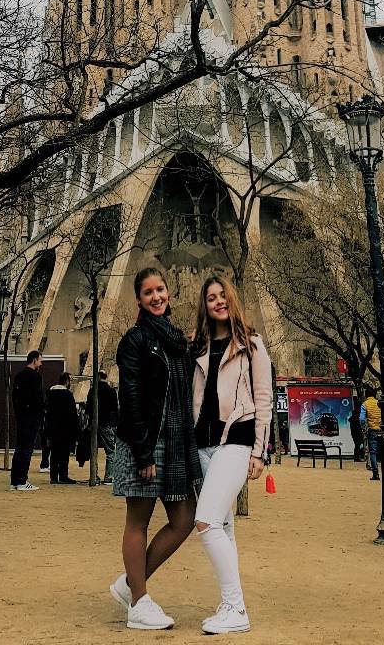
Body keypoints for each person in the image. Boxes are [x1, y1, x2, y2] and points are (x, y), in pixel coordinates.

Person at [109, 266, 202, 632]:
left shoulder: (176, 340)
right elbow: (130, 398)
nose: (156, 297)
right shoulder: (135, 339)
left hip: (175, 444)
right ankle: (139, 604)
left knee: (185, 519)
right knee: (138, 521)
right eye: (148, 292)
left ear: (169, 293)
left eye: (160, 289)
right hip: (144, 442)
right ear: (139, 300)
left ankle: (130, 584)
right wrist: (144, 453)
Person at [190, 275, 272, 636]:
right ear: (205, 306)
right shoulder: (199, 347)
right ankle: (230, 604)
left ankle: (236, 607)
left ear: (232, 299)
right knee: (223, 527)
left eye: (223, 295)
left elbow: (264, 400)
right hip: (204, 444)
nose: (218, 301)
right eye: (211, 297)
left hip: (235, 441)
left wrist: (260, 451)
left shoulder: (252, 345)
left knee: (205, 522)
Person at [10, 351, 45, 491]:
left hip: (21, 417)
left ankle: (15, 480)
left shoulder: (19, 376)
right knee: (27, 449)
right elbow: (38, 398)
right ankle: (22, 480)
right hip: (31, 417)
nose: (41, 363)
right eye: (40, 360)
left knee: (19, 448)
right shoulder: (35, 376)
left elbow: (15, 397)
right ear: (34, 360)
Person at [86, 370, 119, 485]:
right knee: (110, 451)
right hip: (106, 424)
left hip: (94, 424)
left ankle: (94, 475)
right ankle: (109, 477)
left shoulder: (92, 390)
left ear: (98, 377)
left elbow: (88, 409)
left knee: (93, 450)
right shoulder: (111, 391)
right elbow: (115, 409)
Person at [45, 372, 78, 485]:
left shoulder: (50, 393)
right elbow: (72, 413)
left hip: (52, 427)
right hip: (65, 428)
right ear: (67, 381)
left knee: (54, 453)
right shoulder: (68, 395)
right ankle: (63, 476)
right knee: (64, 453)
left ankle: (53, 477)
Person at [359, 386, 381, 481]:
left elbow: (362, 419)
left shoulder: (365, 404)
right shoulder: (379, 403)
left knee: (373, 452)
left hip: (371, 429)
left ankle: (375, 473)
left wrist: (365, 429)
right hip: (381, 429)